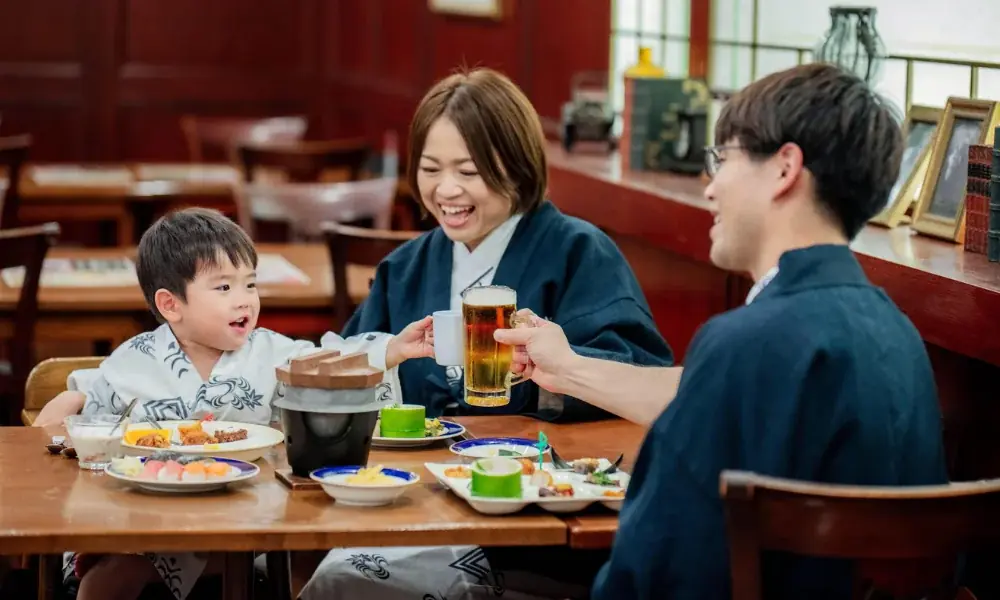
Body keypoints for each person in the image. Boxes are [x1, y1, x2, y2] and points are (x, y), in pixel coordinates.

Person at [494, 63, 949, 600]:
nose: (709, 186)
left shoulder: (744, 341)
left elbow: (656, 562)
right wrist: (566, 368)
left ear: (784, 168)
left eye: (722, 158)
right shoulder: (899, 335)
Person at [298, 67, 674, 599]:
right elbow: (347, 378)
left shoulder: (577, 253)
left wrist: (547, 377)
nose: (445, 190)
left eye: (468, 172)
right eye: (430, 169)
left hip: (534, 510)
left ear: (517, 169)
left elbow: (641, 373)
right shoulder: (406, 267)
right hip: (414, 501)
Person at [35, 207, 434, 600]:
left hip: (251, 508)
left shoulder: (272, 351)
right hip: (154, 507)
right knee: (110, 573)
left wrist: (392, 350)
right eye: (224, 288)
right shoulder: (136, 358)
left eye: (250, 284)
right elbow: (78, 416)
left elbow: (330, 361)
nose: (245, 300)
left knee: (304, 544)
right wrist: (66, 405)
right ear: (171, 305)